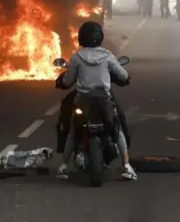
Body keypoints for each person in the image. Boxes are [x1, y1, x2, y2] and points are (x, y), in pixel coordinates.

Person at [55, 21, 137, 181]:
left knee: (72, 130)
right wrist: (123, 78)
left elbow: (68, 81)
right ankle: (127, 166)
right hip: (104, 99)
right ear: (100, 37)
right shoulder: (107, 55)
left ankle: (63, 167)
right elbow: (123, 76)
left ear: (81, 38)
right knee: (117, 126)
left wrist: (62, 81)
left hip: (82, 100)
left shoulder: (77, 57)